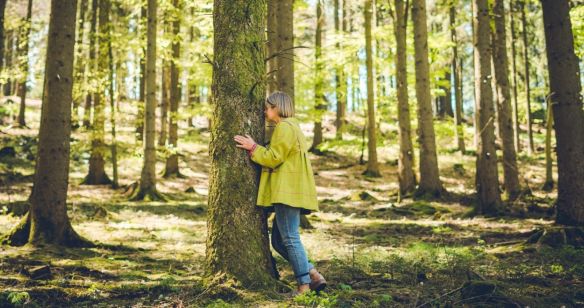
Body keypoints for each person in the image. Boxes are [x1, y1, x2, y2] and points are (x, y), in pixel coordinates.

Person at [234, 91, 327, 296]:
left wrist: (253, 147)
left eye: (268, 107)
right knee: (278, 241)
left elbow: (274, 157)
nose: (265, 111)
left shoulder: (285, 127)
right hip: (290, 190)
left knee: (291, 238)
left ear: (277, 108)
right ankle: (312, 274)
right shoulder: (292, 127)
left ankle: (303, 286)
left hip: (287, 191)